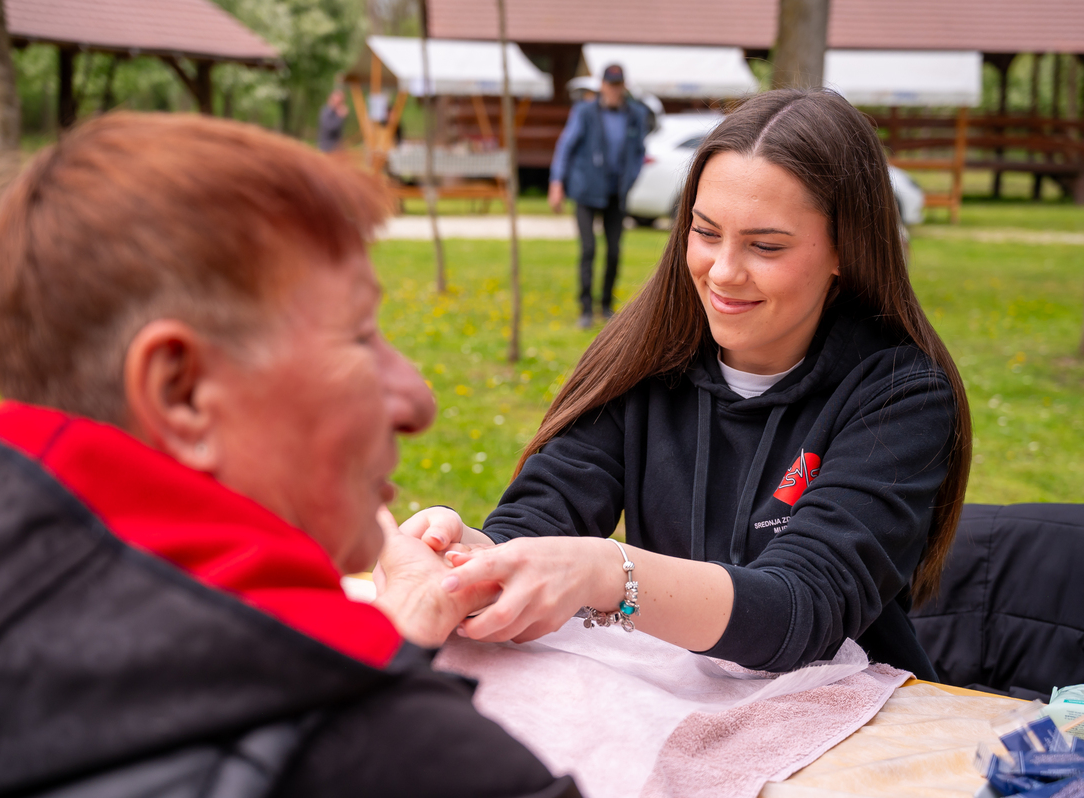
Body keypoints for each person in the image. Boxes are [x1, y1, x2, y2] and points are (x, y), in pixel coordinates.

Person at [0, 113, 579, 798]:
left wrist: (392, 634)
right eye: (360, 336)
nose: (417, 401)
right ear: (181, 392)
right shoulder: (418, 761)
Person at [401, 89, 972, 680]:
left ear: (846, 250)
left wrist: (608, 572)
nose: (723, 272)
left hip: (855, 721)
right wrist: (474, 557)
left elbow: (802, 609)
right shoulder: (646, 359)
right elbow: (547, 513)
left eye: (765, 245)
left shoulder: (903, 394)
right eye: (705, 232)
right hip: (675, 707)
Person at [549, 63, 649, 328]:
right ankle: (585, 308)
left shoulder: (635, 114)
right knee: (589, 249)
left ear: (623, 86)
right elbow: (566, 146)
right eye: (610, 85)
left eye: (618, 85)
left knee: (614, 251)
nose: (614, 90)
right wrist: (557, 182)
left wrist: (631, 178)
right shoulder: (585, 112)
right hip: (585, 189)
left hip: (616, 192)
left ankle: (605, 306)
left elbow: (639, 151)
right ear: (602, 85)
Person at [317, 88, 348, 152]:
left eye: (341, 102)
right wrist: (340, 117)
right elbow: (330, 128)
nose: (340, 104)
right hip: (326, 148)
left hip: (336, 148)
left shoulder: (336, 112)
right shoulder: (326, 111)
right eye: (339, 102)